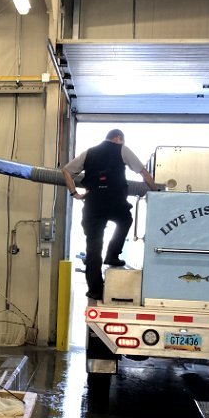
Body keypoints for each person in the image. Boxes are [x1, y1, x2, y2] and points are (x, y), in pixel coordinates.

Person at [62, 129, 160, 301]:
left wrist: (74, 193)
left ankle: (95, 290)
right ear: (118, 138)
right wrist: (157, 192)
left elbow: (66, 171)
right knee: (125, 220)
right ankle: (113, 254)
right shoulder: (121, 149)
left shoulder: (89, 153)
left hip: (93, 205)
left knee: (93, 248)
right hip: (115, 202)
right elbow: (143, 173)